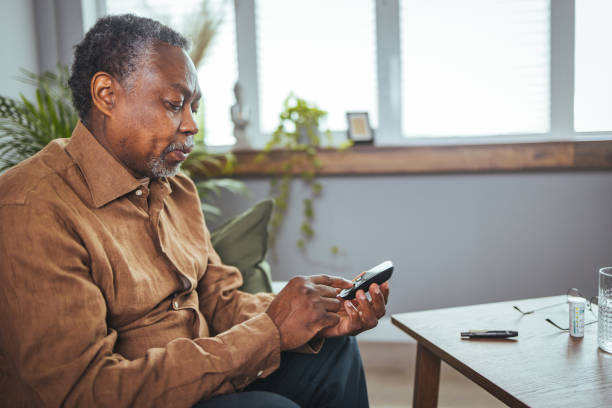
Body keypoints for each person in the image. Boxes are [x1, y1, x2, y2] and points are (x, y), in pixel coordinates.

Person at [0, 14, 389, 408]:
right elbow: (81, 392)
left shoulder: (178, 191)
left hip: (203, 375)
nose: (191, 125)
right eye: (173, 104)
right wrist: (271, 331)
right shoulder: (32, 207)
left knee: (334, 353)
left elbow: (220, 301)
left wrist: (313, 316)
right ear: (106, 94)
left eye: (194, 107)